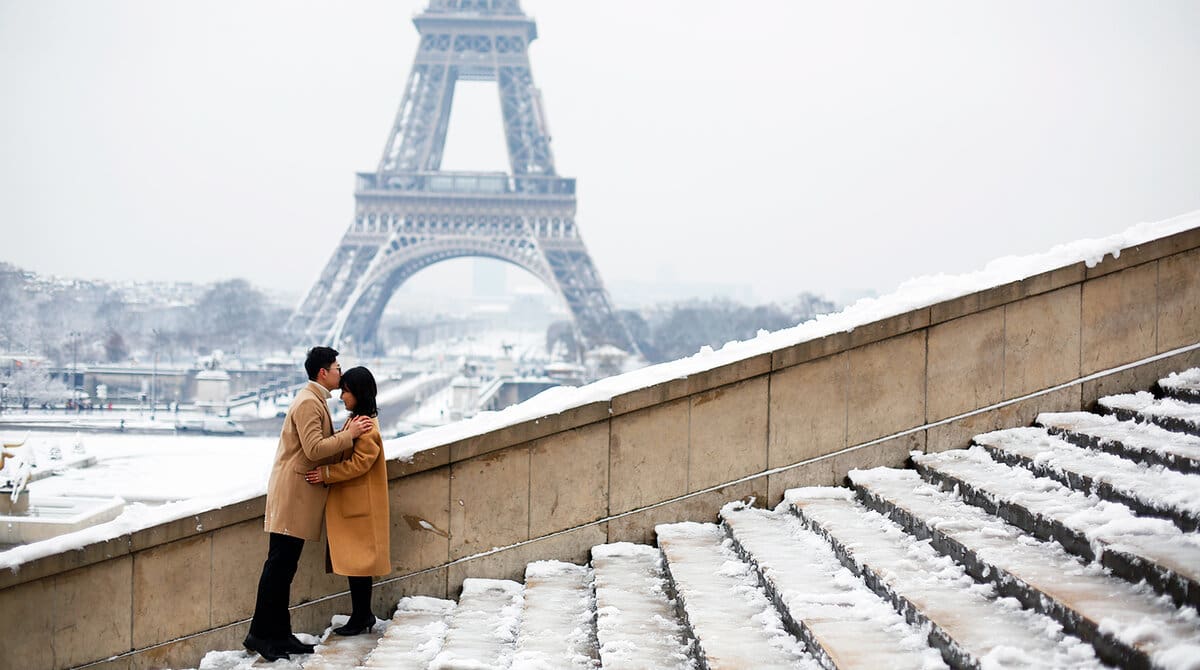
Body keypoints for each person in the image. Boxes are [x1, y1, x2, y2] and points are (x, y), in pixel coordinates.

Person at [243, 347, 374, 662]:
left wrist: (346, 434)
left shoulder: (313, 401)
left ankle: (278, 634)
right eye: (337, 368)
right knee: (278, 567)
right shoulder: (307, 403)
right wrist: (351, 433)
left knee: (283, 568)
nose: (340, 374)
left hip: (299, 496)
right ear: (323, 372)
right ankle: (260, 635)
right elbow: (314, 449)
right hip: (293, 495)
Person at [304, 366, 390, 636]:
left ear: (359, 393)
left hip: (358, 507)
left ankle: (362, 615)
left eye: (347, 391)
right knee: (356, 565)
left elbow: (359, 464)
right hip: (355, 505)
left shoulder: (365, 426)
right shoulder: (360, 420)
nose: (342, 396)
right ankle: (362, 615)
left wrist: (325, 474)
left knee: (359, 565)